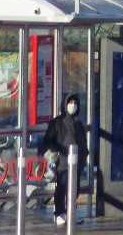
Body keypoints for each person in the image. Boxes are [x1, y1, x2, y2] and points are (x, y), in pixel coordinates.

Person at [39, 93, 88, 227]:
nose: (73, 105)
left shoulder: (78, 123)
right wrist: (59, 151)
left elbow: (83, 142)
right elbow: (48, 141)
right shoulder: (57, 122)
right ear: (65, 104)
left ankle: (70, 213)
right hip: (63, 162)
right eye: (70, 102)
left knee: (75, 189)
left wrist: (84, 156)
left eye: (75, 103)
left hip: (77, 162)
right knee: (62, 187)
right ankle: (59, 213)